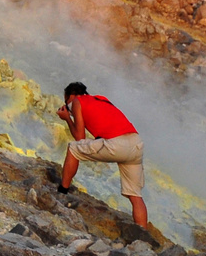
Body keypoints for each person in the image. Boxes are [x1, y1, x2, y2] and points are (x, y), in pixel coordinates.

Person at [56, 81, 149, 228]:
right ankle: (144, 237)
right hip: (136, 143)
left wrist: (67, 118)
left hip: (117, 144)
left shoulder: (76, 102)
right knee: (135, 196)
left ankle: (62, 192)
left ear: (71, 96)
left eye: (66, 101)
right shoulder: (101, 99)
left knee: (73, 148)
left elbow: (80, 138)